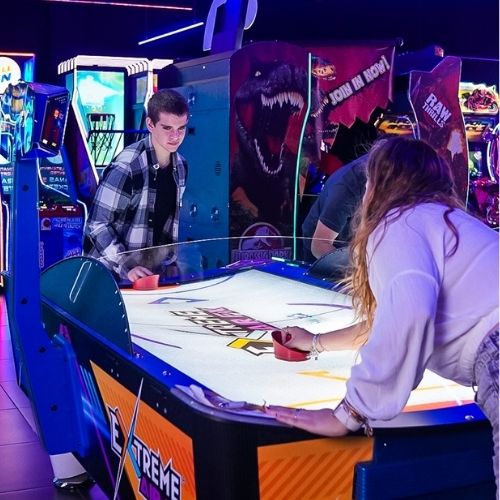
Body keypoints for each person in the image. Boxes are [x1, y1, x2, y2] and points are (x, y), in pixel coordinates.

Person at [266, 137, 499, 489]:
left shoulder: (399, 222)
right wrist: (315, 342)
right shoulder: (445, 221)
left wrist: (350, 412)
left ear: (381, 184)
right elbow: (392, 318)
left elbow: (410, 310)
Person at [84, 89, 189, 282]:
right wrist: (126, 266)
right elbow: (97, 225)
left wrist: (170, 263)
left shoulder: (181, 166)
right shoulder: (128, 166)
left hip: (149, 275)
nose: (175, 136)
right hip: (108, 277)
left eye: (181, 128)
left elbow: (166, 224)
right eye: (167, 128)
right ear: (150, 124)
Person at [301, 153, 368, 262]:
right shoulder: (350, 186)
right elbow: (319, 245)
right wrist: (361, 269)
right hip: (325, 247)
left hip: (352, 242)